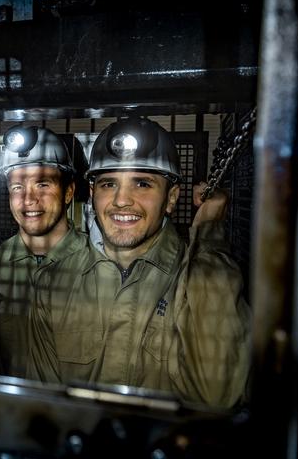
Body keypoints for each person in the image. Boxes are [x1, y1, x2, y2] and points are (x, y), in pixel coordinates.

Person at [32, 116, 251, 408]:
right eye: (109, 183)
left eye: (143, 183)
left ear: (171, 198)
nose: (122, 200)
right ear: (93, 194)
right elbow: (42, 405)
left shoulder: (201, 279)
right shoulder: (53, 283)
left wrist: (208, 241)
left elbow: (217, 396)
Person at [0, 126, 84, 379]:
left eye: (42, 184)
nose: (28, 200)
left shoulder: (99, 265)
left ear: (68, 192)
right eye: (17, 187)